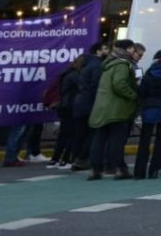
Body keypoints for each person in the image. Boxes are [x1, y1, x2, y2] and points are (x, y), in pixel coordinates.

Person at [87, 40, 139, 180]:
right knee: (116, 141)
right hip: (118, 108)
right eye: (133, 49)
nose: (134, 52)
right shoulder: (122, 64)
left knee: (99, 139)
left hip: (102, 108)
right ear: (128, 49)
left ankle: (95, 169)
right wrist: (134, 95)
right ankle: (120, 169)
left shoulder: (108, 63)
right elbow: (119, 84)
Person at [135, 49, 161, 179]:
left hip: (150, 109)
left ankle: (139, 171)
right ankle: (154, 170)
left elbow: (142, 91)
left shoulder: (149, 73)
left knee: (144, 140)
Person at [69, 41, 107, 172]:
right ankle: (82, 158)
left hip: (80, 102)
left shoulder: (86, 64)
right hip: (90, 103)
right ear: (98, 50)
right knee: (92, 132)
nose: (107, 51)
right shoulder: (97, 65)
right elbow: (97, 85)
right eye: (105, 48)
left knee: (80, 133)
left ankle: (76, 159)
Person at [49, 54, 87, 170]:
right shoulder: (76, 75)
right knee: (72, 134)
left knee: (63, 134)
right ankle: (65, 160)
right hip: (71, 106)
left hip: (64, 106)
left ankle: (55, 159)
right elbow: (83, 88)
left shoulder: (66, 73)